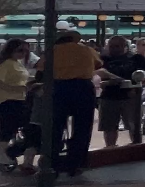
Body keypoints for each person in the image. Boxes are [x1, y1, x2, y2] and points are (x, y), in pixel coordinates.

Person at [48, 28, 100, 176]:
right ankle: (76, 163)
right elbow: (98, 63)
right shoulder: (87, 50)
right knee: (82, 126)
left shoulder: (53, 50)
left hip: (60, 87)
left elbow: (41, 66)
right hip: (82, 87)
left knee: (56, 125)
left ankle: (53, 163)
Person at [97, 36, 145, 148]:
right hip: (109, 96)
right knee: (109, 127)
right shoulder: (102, 59)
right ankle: (110, 150)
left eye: (117, 46)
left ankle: (137, 148)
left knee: (134, 126)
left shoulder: (137, 58)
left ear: (126, 46)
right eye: (111, 46)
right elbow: (96, 73)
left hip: (131, 96)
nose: (114, 49)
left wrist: (138, 88)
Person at [1, 39, 39, 175]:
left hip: (19, 100)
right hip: (8, 100)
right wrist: (21, 87)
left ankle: (8, 155)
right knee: (8, 129)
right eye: (20, 50)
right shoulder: (6, 64)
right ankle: (4, 155)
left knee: (17, 128)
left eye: (26, 51)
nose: (23, 54)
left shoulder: (17, 64)